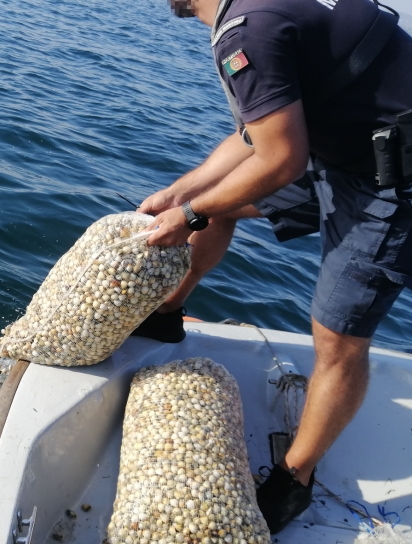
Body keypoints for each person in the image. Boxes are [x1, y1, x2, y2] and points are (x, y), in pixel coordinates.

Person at [130, 0, 412, 534]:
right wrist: (183, 193)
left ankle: (294, 480)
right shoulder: (263, 9)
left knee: (338, 338)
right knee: (220, 203)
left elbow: (279, 159)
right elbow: (253, 137)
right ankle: (166, 312)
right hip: (350, 155)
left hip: (390, 184)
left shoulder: (245, 30)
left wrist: (189, 215)